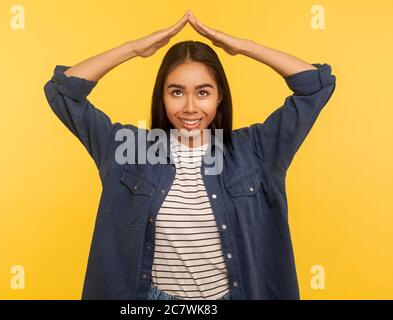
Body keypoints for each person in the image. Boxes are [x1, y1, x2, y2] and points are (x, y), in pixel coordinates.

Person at [43, 9, 336, 300]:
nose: (190, 107)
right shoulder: (127, 150)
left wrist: (243, 47)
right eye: (177, 92)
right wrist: (132, 49)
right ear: (163, 95)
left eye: (203, 92)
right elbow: (62, 92)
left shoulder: (256, 150)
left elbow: (315, 86)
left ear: (220, 96)